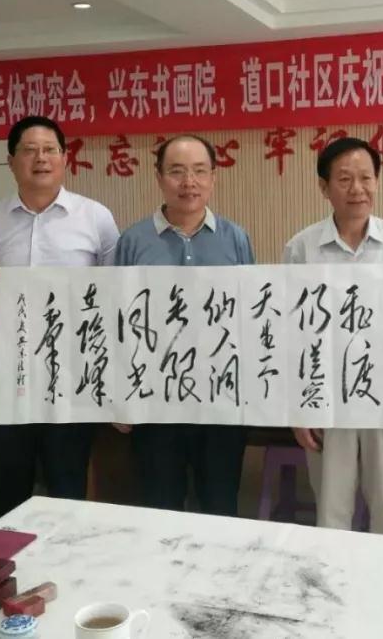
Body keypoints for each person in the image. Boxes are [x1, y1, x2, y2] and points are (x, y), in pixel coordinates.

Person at [0, 115, 120, 524]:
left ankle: (65, 556)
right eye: (29, 151)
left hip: (71, 371)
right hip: (5, 370)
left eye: (49, 150)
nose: (40, 158)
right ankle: (4, 560)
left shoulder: (95, 218)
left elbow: (115, 293)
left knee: (67, 481)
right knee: (6, 482)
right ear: (11, 162)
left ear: (65, 158)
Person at [283, 137, 383, 536]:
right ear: (324, 186)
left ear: (377, 181)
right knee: (332, 510)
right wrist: (298, 408)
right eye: (345, 179)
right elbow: (292, 334)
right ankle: (332, 574)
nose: (357, 189)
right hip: (326, 395)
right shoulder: (302, 249)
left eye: (366, 177)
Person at [114, 134, 254, 516]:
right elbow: (118, 323)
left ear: (213, 177)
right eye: (177, 171)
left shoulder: (235, 239)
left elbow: (249, 319)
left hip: (221, 401)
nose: (188, 182)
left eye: (199, 171)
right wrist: (120, 397)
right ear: (158, 177)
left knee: (220, 505)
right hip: (155, 401)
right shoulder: (133, 242)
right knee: (160, 506)